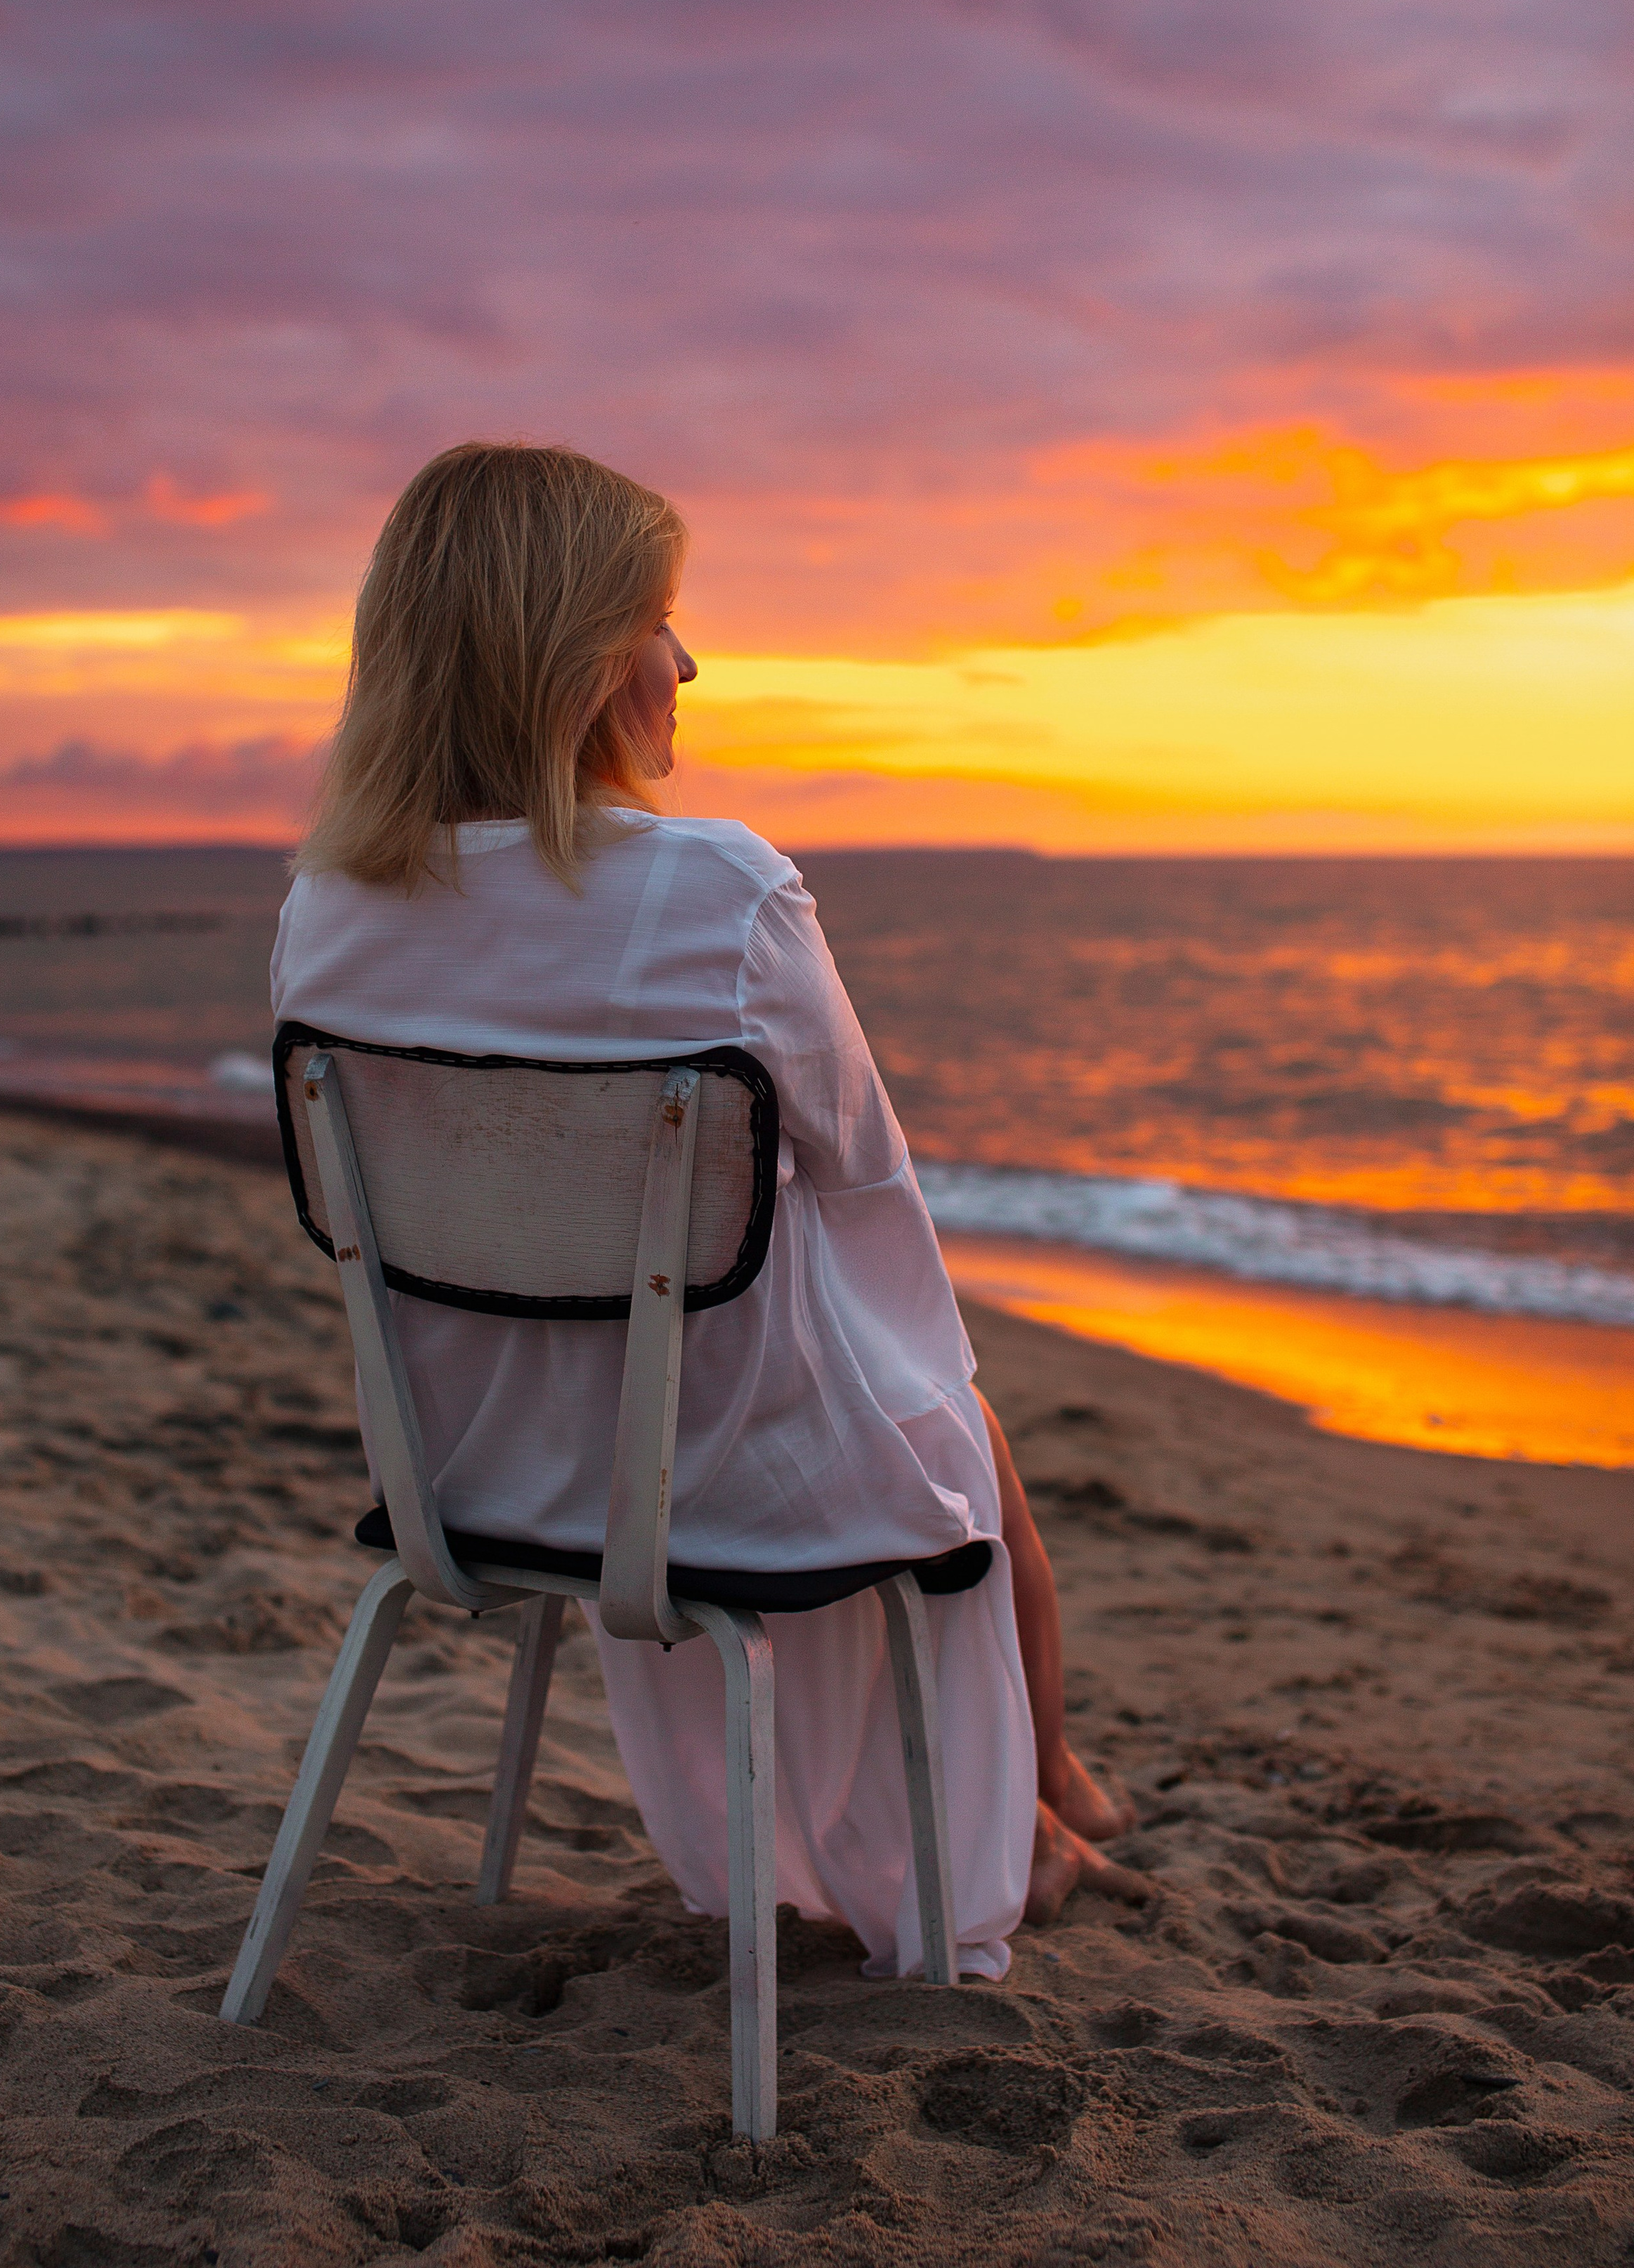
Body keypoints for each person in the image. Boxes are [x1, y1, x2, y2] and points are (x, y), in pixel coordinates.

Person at [271, 441, 1144, 1970]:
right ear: (564, 654)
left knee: (910, 1408)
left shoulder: (327, 906)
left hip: (469, 1470)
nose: (685, 663)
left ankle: (1048, 1796)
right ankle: (1028, 1809)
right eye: (653, 621)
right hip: (699, 1488)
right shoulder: (718, 890)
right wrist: (926, 1382)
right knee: (958, 1427)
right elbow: (870, 1184)